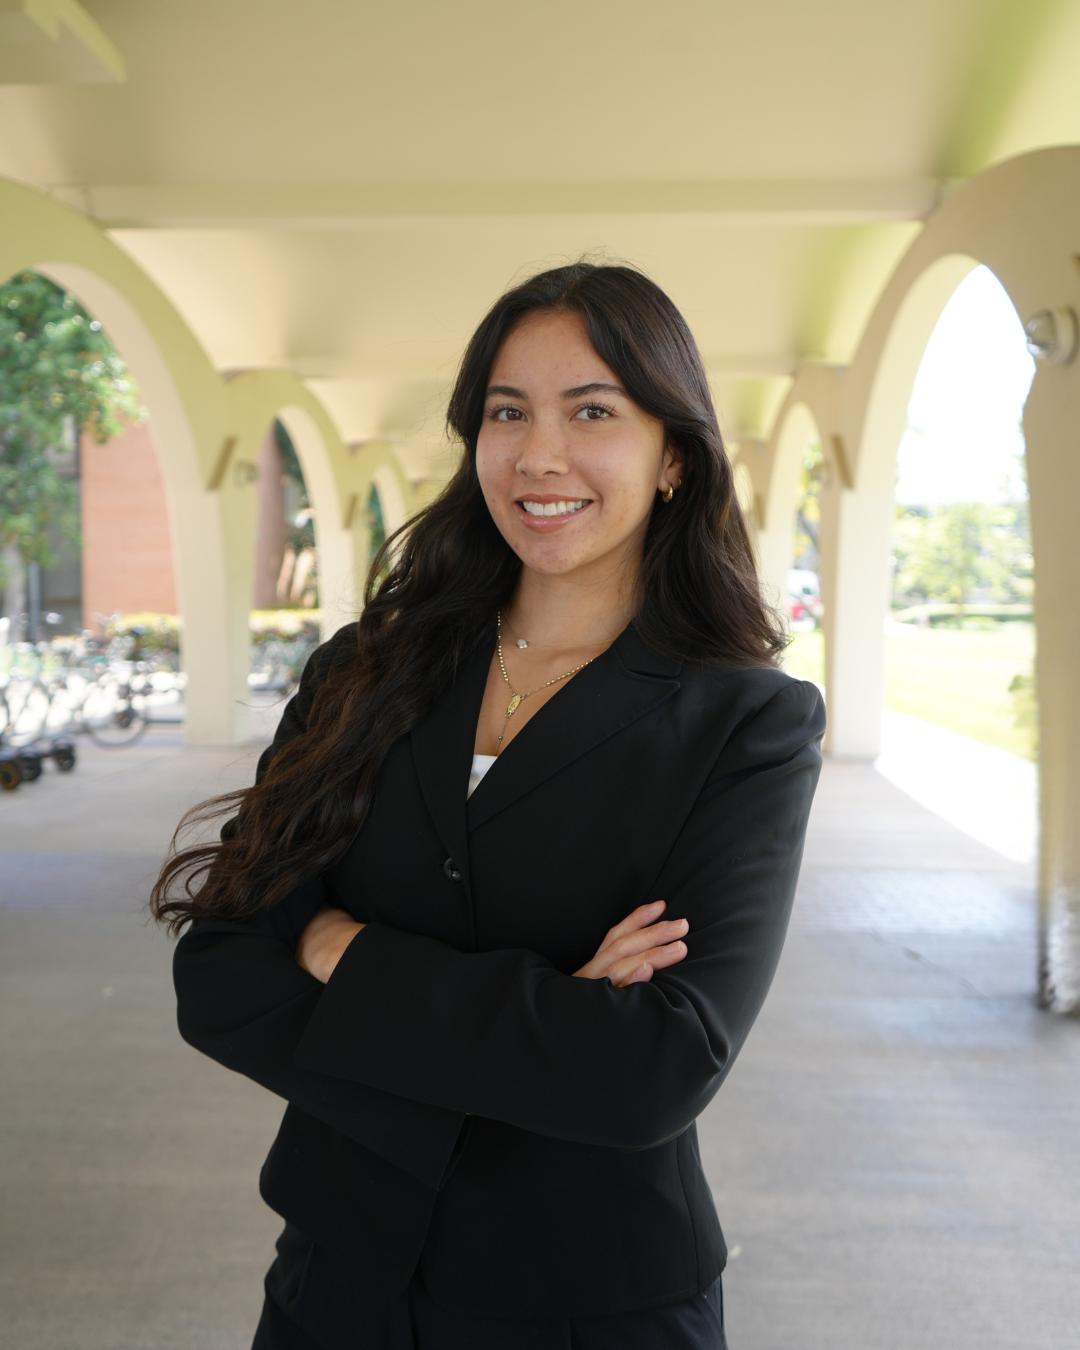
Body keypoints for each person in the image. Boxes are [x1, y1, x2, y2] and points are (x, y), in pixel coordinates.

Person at [151, 262, 825, 1350]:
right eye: (507, 413)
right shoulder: (363, 672)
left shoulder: (746, 723)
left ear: (673, 459)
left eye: (592, 411)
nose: (538, 455)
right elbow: (220, 974)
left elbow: (654, 1068)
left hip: (592, 1305)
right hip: (336, 1286)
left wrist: (342, 949)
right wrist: (550, 1021)